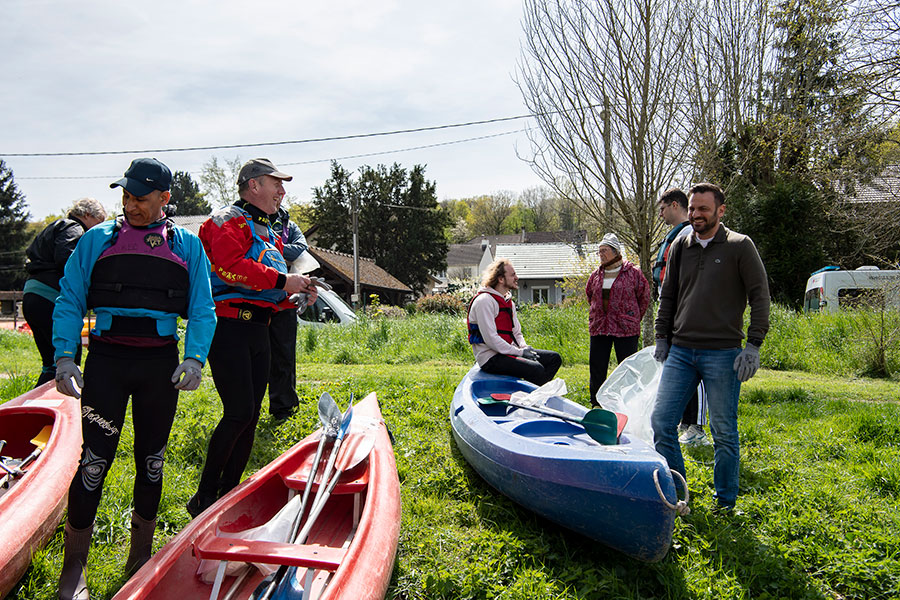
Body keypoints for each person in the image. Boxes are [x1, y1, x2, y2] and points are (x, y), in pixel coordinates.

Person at [52, 158, 217, 599]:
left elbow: (203, 307)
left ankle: (139, 557)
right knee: (94, 461)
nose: (129, 205)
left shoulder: (186, 246)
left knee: (152, 460)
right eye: (125, 196)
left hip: (157, 367)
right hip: (105, 361)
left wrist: (195, 359)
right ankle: (74, 568)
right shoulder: (95, 241)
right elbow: (69, 298)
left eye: (140, 198)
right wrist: (65, 358)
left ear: (165, 199)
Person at [188, 158, 318, 518]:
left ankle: (227, 494)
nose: (283, 191)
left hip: (260, 328)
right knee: (239, 411)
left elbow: (271, 285)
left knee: (250, 414)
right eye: (277, 183)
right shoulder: (227, 219)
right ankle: (203, 497)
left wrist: (298, 292)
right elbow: (229, 266)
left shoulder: (269, 231)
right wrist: (282, 282)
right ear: (254, 185)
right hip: (230, 327)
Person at [651, 182, 770, 511]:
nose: (695, 215)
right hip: (682, 351)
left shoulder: (739, 246)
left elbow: (760, 296)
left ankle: (725, 502)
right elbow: (669, 295)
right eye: (692, 209)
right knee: (662, 423)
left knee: (723, 431)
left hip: (723, 353)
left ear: (721, 210)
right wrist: (662, 336)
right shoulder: (680, 245)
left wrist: (754, 345)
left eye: (703, 209)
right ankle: (678, 494)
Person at [23, 198, 107, 387]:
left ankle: (36, 409)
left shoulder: (54, 226)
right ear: (87, 215)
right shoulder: (73, 228)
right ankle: (65, 411)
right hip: (50, 297)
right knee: (69, 360)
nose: (99, 229)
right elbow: (67, 259)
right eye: (99, 222)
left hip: (32, 294)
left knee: (50, 364)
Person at [653, 188, 710, 446]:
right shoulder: (676, 236)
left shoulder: (689, 234)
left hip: (687, 312)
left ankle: (697, 427)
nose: (661, 214)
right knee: (681, 366)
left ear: (675, 205)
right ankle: (686, 422)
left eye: (663, 209)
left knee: (696, 369)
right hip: (674, 310)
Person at [467, 258, 561, 385]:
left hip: (508, 351)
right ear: (501, 279)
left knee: (554, 359)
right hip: (490, 358)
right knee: (536, 368)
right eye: (513, 275)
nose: (517, 277)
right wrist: (520, 353)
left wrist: (524, 347)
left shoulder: (508, 303)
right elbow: (491, 339)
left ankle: (532, 394)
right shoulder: (484, 301)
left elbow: (516, 333)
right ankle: (529, 396)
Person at [585, 233, 650, 405]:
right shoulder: (596, 275)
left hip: (625, 329)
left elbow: (644, 297)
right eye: (599, 251)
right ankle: (596, 404)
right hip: (600, 327)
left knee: (627, 368)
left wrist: (632, 318)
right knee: (597, 367)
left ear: (616, 252)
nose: (601, 254)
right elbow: (590, 295)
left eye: (605, 250)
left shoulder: (633, 273)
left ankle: (628, 403)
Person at [267, 203, 309, 421]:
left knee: (284, 357)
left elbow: (301, 249)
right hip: (256, 301)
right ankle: (249, 409)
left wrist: (272, 246)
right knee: (257, 358)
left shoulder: (290, 226)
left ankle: (283, 408)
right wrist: (283, 250)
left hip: (284, 303)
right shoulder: (249, 222)